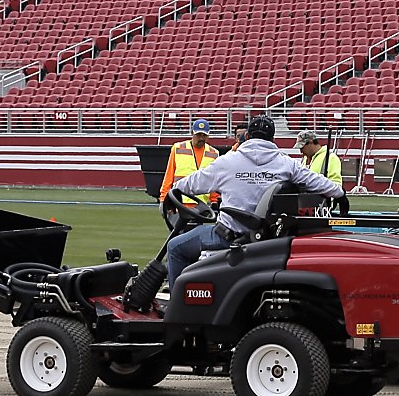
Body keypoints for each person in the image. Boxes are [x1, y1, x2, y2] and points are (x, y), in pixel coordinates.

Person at [131, 115, 341, 305]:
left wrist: (173, 192)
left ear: (247, 136)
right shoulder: (286, 164)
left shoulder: (228, 162)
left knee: (176, 247)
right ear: (272, 138)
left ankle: (178, 306)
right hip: (265, 239)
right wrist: (340, 194)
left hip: (228, 236)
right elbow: (320, 183)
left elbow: (192, 183)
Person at [156, 119, 219, 226]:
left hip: (200, 206)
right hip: (178, 203)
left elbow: (214, 181)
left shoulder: (214, 153)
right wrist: (163, 199)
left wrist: (214, 201)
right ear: (192, 133)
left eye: (204, 135)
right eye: (198, 135)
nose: (201, 138)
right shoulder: (177, 148)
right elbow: (169, 176)